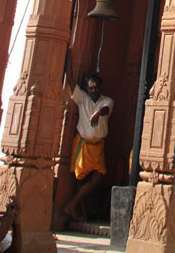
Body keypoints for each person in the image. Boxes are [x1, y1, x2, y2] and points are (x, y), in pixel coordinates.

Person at [64, 53, 114, 222]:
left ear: (100, 87)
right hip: (83, 144)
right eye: (91, 88)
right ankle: (79, 213)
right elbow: (70, 81)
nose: (94, 90)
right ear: (87, 88)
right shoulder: (83, 99)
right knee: (80, 179)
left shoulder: (106, 101)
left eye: (96, 87)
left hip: (97, 145)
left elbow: (106, 110)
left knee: (97, 178)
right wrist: (68, 55)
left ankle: (72, 206)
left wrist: (98, 113)